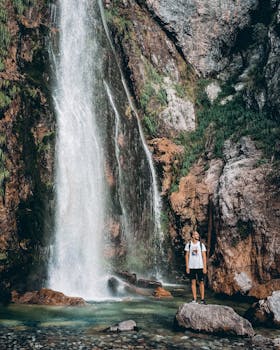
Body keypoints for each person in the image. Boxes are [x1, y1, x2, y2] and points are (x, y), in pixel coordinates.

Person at [185, 230, 207, 304]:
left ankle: (202, 299)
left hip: (200, 266)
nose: (198, 235)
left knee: (201, 282)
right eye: (196, 234)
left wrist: (205, 267)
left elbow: (204, 256)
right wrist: (187, 267)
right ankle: (194, 299)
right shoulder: (188, 245)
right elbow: (186, 256)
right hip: (192, 266)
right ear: (192, 236)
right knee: (193, 283)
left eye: (198, 234)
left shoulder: (201, 245)